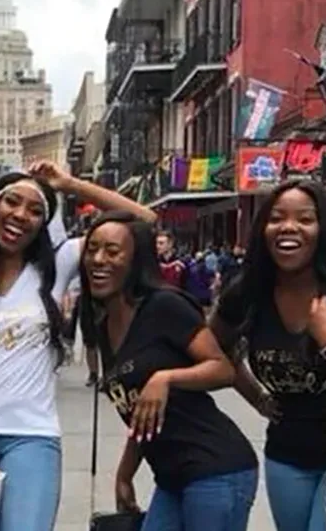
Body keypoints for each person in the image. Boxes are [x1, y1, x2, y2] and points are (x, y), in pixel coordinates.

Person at [0, 161, 156, 530]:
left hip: (31, 438)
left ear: (43, 224)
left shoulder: (58, 266)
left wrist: (69, 184)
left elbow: (143, 222)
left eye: (35, 211)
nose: (21, 215)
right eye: (12, 203)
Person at [207, 180, 326, 531]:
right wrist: (256, 396)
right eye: (276, 217)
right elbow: (212, 348)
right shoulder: (249, 292)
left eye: (305, 219)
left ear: (323, 229)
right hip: (287, 452)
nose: (289, 227)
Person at [81, 211, 258, 530]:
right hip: (172, 479)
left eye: (112, 251)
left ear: (136, 259)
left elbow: (222, 369)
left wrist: (166, 378)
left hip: (217, 470)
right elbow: (140, 412)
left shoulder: (163, 306)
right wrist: (125, 472)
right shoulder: (104, 326)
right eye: (91, 249)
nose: (98, 259)